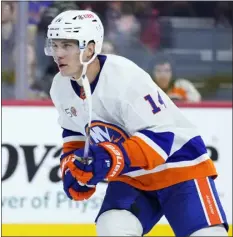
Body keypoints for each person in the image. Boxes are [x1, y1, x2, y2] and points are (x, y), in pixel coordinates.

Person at [45, 10, 228, 236]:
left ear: (90, 48)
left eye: (66, 46)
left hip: (180, 168)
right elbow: (74, 133)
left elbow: (162, 137)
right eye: (54, 45)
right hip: (134, 177)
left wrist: (108, 159)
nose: (57, 54)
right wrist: (72, 168)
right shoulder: (60, 86)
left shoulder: (123, 76)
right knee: (112, 226)